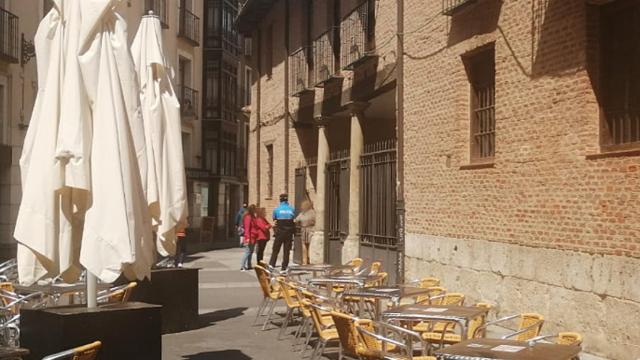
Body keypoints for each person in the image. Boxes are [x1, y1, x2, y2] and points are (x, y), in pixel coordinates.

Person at [269, 194, 296, 271]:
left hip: (280, 232)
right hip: (289, 232)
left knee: (275, 249)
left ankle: (272, 264)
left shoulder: (277, 209)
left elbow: (274, 219)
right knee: (286, 250)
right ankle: (284, 267)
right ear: (287, 200)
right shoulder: (292, 209)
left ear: (280, 200)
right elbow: (294, 218)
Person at [294, 200, 316, 265]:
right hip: (311, 229)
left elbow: (296, 220)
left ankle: (305, 261)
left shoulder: (302, 214)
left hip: (304, 230)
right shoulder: (313, 212)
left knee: (304, 246)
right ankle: (308, 260)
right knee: (309, 245)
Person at [240, 205, 257, 271]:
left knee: (251, 251)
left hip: (253, 236)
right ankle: (242, 266)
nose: (255, 211)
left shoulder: (253, 217)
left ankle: (249, 265)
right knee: (247, 251)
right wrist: (247, 237)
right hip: (250, 236)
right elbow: (247, 228)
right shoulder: (248, 217)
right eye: (254, 209)